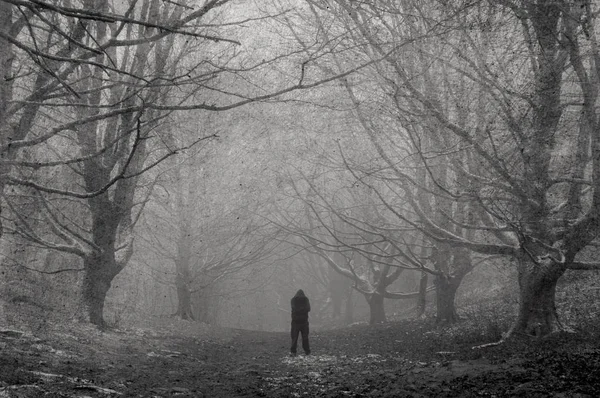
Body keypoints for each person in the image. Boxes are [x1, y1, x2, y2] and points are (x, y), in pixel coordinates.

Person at [290, 289, 311, 356]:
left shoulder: (293, 300)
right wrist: (303, 310)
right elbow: (308, 309)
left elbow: (294, 308)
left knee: (294, 337)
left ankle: (293, 351)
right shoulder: (306, 299)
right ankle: (307, 351)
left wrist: (298, 310)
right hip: (304, 321)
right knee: (305, 337)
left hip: (295, 322)